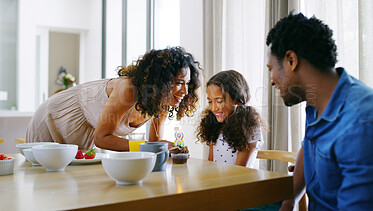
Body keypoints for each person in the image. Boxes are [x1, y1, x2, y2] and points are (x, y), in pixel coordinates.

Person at [266, 12, 373, 210]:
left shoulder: (364, 124)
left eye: (272, 69)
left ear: (291, 60)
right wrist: (289, 201)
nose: (272, 80)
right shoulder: (316, 101)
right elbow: (308, 146)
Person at [26, 46, 201, 151]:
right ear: (161, 80)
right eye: (179, 82)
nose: (185, 91)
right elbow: (102, 138)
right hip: (54, 118)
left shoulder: (160, 104)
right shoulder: (128, 89)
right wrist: (148, 147)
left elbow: (153, 144)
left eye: (187, 84)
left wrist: (169, 147)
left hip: (81, 138)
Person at [196, 70, 264, 168]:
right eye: (210, 101)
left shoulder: (248, 125)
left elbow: (239, 171)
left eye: (219, 101)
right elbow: (210, 165)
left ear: (237, 100)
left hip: (239, 181)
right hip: (218, 181)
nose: (213, 108)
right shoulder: (214, 124)